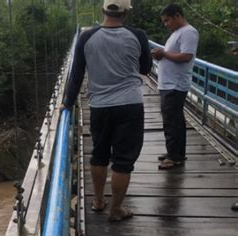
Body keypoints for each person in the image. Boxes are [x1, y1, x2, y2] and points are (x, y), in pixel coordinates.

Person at [62, 0, 151, 222]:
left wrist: (68, 102)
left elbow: (76, 75)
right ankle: (116, 209)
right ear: (126, 12)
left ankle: (99, 200)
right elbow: (145, 69)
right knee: (123, 161)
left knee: (99, 155)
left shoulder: (86, 37)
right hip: (130, 105)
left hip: (100, 106)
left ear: (103, 10)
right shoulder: (138, 35)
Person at [151, 3, 199, 170]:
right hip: (169, 84)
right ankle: (176, 152)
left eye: (167, 20)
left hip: (175, 85)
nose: (166, 24)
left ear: (177, 16)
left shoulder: (188, 32)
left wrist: (163, 53)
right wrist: (162, 54)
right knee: (175, 121)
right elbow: (175, 54)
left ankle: (174, 157)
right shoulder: (177, 33)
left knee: (171, 121)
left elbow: (186, 56)